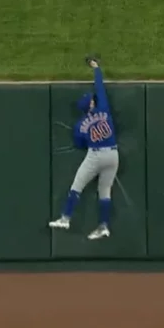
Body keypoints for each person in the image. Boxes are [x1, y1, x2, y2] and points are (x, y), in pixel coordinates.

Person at [49, 59, 119, 240]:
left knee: (77, 186)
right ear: (92, 104)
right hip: (113, 154)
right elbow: (100, 88)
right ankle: (103, 225)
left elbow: (79, 144)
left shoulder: (80, 126)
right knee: (105, 191)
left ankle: (65, 218)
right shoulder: (103, 108)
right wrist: (97, 69)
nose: (93, 100)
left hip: (95, 155)